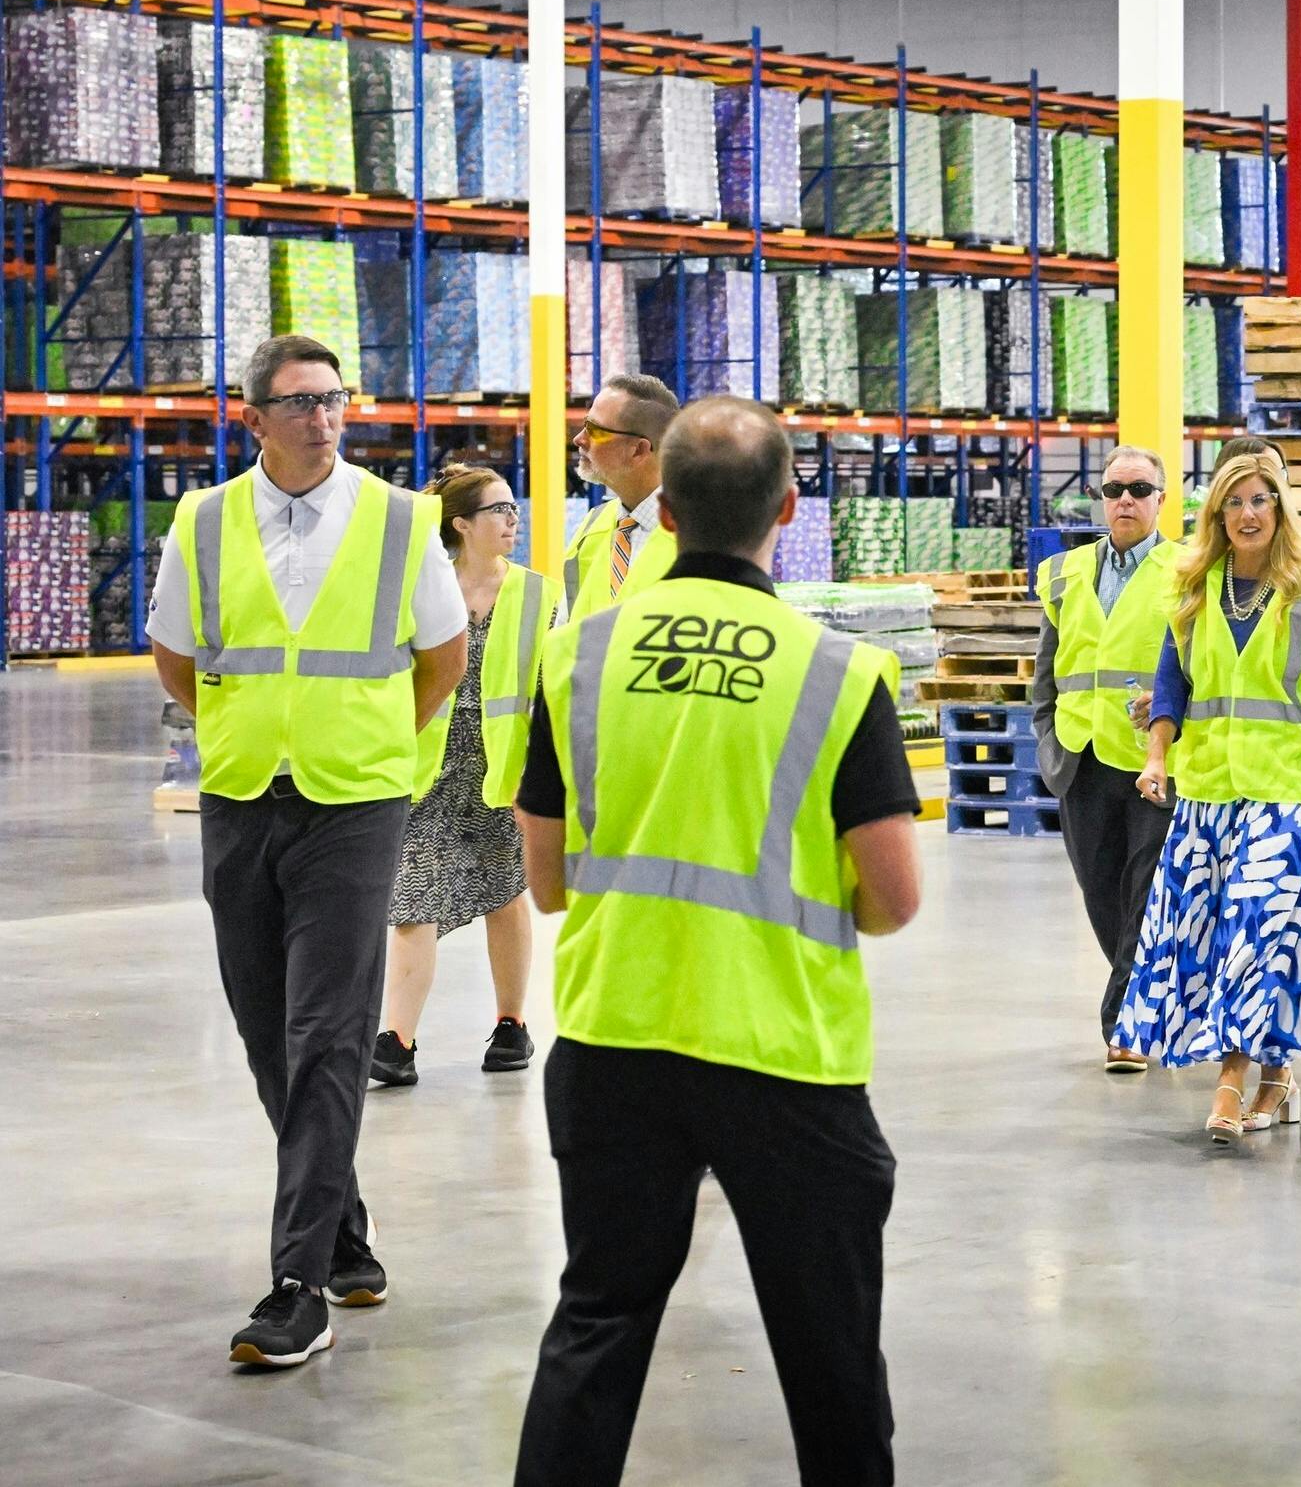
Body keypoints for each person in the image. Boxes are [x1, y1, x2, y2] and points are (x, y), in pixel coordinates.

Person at [511, 396, 923, 1485]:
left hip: (612, 1038)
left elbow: (543, 881)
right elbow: (893, 898)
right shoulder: (838, 674)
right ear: (787, 507)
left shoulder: (576, 656)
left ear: (669, 509)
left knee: (597, 1323)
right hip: (780, 1050)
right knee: (829, 1354)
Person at [147, 335, 470, 1366]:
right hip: (240, 797)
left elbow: (443, 656)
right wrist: (249, 734)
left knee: (329, 1031)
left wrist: (373, 747)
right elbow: (176, 654)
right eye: (297, 405)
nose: (320, 419)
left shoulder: (398, 519)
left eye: (333, 401)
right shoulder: (202, 521)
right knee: (264, 1035)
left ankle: (297, 1287)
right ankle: (340, 1226)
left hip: (356, 803)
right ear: (254, 419)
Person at [1114, 448, 1301, 1143]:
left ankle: (1229, 1082)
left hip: (1289, 790)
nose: (1248, 514)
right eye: (1235, 502)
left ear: (1279, 509)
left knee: (1259, 929)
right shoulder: (1192, 590)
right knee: (1215, 937)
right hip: (1211, 793)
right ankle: (1278, 1081)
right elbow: (1172, 686)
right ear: (1216, 514)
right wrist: (1157, 757)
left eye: (1261, 500)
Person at [372, 465, 560, 1087]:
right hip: (428, 769)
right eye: (499, 510)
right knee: (411, 902)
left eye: (514, 508)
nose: (513, 519)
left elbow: (553, 688)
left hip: (504, 773)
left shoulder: (539, 594)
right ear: (460, 524)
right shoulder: (422, 587)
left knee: (505, 898)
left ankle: (513, 1023)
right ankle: (397, 1041)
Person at [1034, 446, 1184, 1071]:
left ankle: (1126, 1022)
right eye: (1114, 488)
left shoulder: (1188, 570)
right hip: (1080, 757)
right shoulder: (1064, 574)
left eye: (1139, 489)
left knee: (1146, 890)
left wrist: (1177, 709)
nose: (1125, 499)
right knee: (1102, 894)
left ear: (1161, 499)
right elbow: (1045, 672)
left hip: (1156, 760)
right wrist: (1047, 743)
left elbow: (1205, 662)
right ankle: (1148, 999)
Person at [562, 373, 682, 619]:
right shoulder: (592, 527)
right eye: (585, 425)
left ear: (638, 450)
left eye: (595, 430)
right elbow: (566, 627)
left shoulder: (700, 536)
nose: (579, 439)